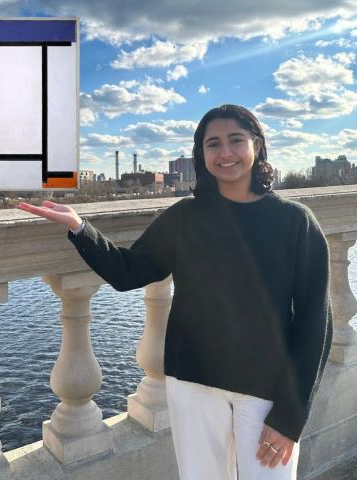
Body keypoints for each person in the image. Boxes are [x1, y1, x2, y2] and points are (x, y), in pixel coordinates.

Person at [18, 104, 332, 480]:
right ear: (201, 155)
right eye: (212, 144)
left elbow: (316, 323)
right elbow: (129, 271)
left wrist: (291, 416)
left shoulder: (295, 221)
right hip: (194, 384)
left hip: (266, 389)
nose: (225, 152)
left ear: (257, 145)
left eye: (236, 140)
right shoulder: (186, 217)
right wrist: (81, 229)